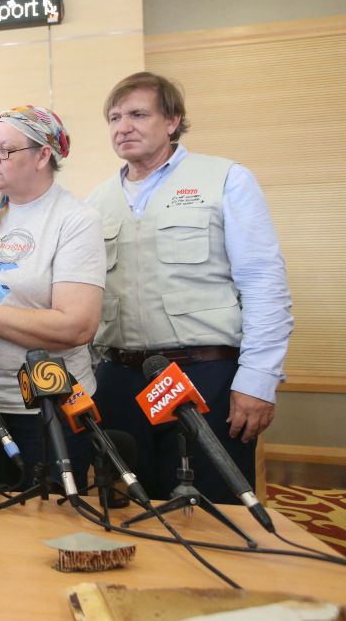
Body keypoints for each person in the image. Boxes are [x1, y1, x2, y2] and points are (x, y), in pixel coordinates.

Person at [87, 72, 293, 504]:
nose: (123, 126)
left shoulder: (226, 179)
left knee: (214, 515)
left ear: (173, 121)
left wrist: (257, 380)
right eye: (114, 117)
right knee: (130, 513)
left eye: (139, 114)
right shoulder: (95, 202)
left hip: (206, 378)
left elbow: (263, 284)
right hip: (121, 381)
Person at [0, 106, 104, 490]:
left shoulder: (75, 220)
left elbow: (76, 326)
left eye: (6, 151)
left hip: (51, 404)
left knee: (51, 523)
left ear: (44, 155)